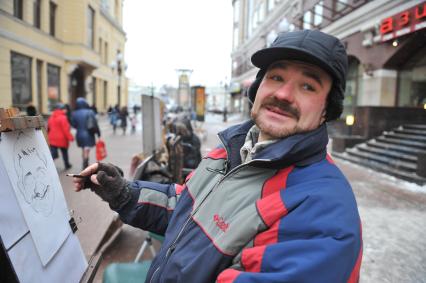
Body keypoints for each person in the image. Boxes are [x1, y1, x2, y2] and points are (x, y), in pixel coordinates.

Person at [73, 30, 362, 282]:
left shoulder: (323, 210)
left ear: (327, 109)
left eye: (308, 86)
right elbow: (186, 208)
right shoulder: (230, 150)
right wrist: (124, 193)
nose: (284, 93)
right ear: (258, 87)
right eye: (276, 77)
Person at [71, 97, 100, 169]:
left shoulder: (74, 113)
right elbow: (95, 124)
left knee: (83, 148)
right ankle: (85, 164)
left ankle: (84, 161)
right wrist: (98, 133)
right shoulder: (90, 112)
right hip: (88, 134)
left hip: (79, 134)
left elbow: (74, 125)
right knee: (86, 149)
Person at [47, 103, 74, 170]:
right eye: (65, 109)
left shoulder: (51, 117)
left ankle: (47, 165)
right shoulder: (63, 117)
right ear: (62, 109)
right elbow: (66, 130)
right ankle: (67, 165)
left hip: (52, 138)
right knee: (64, 152)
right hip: (61, 139)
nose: (66, 110)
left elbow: (48, 128)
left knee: (53, 154)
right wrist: (70, 137)